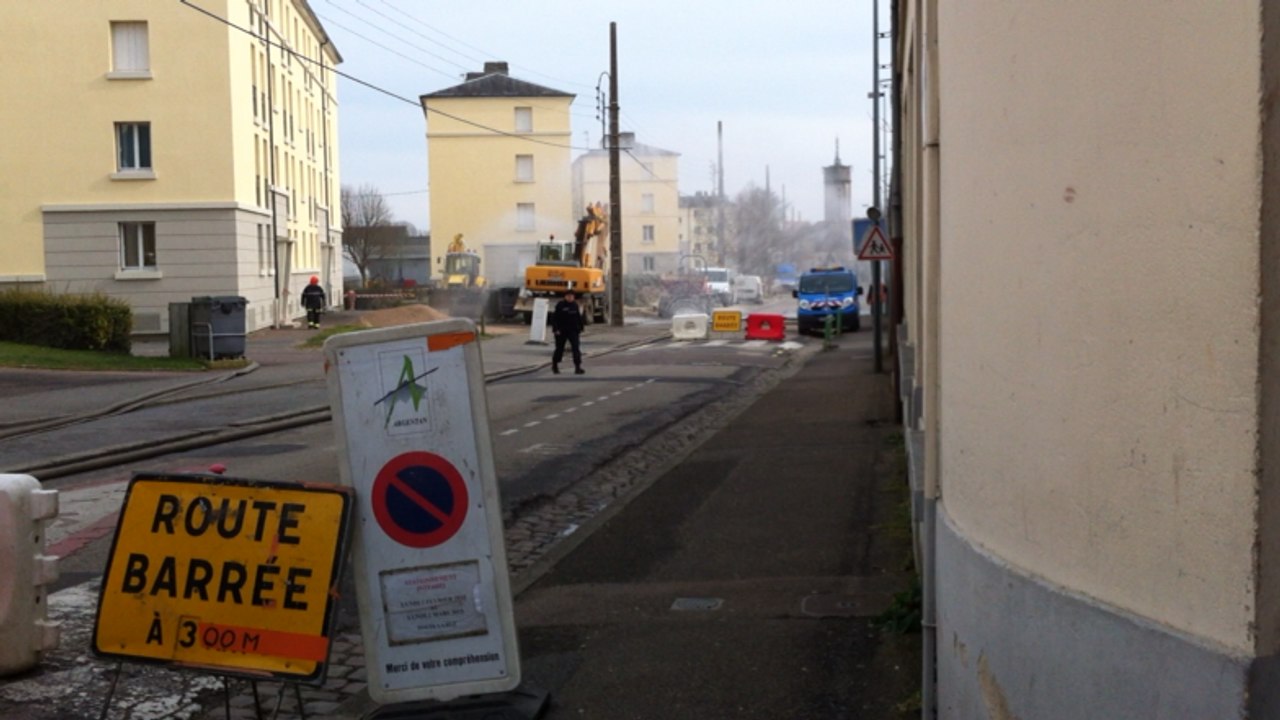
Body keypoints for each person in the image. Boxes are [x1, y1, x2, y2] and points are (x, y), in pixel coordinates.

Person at [550, 289, 585, 375]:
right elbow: (554, 318)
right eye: (568, 296)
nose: (570, 298)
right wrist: (555, 329)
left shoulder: (575, 305)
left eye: (572, 296)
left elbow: (578, 317)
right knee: (559, 349)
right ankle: (555, 365)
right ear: (565, 297)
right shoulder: (560, 305)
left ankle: (578, 367)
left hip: (573, 330)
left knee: (576, 348)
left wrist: (581, 327)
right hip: (561, 331)